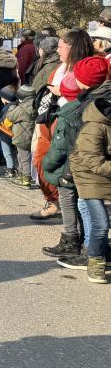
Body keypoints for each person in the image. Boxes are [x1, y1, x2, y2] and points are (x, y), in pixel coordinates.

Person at [40, 56, 110, 265]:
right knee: (88, 208)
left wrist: (49, 166)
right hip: (91, 163)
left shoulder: (82, 108)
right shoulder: (101, 98)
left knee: (86, 208)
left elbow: (66, 144)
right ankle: (92, 248)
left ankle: (89, 250)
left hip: (82, 166)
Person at [30, 31, 92, 221]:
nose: (57, 50)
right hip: (49, 118)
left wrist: (61, 91)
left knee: (64, 167)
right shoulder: (59, 67)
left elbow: (87, 93)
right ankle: (52, 201)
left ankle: (71, 217)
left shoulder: (87, 68)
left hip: (70, 122)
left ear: (73, 48)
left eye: (61, 47)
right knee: (41, 160)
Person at [68, 70, 111, 283]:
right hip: (88, 177)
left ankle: (103, 252)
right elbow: (94, 162)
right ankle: (95, 262)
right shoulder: (94, 127)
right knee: (101, 224)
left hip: (105, 174)